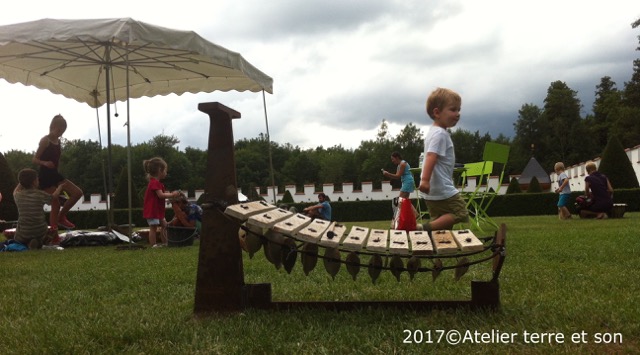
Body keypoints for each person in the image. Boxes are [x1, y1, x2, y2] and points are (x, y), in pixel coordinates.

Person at [418, 88, 469, 232]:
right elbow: (430, 156)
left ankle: (434, 248)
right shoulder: (440, 134)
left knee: (443, 223)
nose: (457, 114)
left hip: (432, 191)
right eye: (453, 109)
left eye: (459, 110)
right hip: (441, 187)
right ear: (437, 112)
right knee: (460, 212)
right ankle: (422, 229)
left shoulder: (434, 132)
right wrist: (425, 180)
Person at [33, 114, 83, 230]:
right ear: (53, 126)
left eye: (63, 130)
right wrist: (45, 163)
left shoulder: (58, 141)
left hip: (55, 175)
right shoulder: (45, 140)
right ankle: (53, 233)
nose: (61, 132)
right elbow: (34, 159)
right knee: (55, 203)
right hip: (45, 177)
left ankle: (61, 217)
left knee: (77, 193)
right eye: (60, 129)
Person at [13, 168, 63, 249]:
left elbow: (14, 192)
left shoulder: (18, 196)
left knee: (18, 235)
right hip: (39, 231)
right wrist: (60, 187)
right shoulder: (40, 194)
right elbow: (53, 197)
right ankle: (39, 241)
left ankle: (26, 242)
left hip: (23, 232)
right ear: (34, 182)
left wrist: (21, 182)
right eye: (37, 179)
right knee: (50, 231)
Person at [143, 157, 180, 248]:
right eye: (165, 171)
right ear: (160, 170)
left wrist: (167, 194)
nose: (166, 173)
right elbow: (160, 195)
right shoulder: (155, 183)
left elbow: (159, 195)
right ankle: (154, 245)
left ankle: (165, 243)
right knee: (153, 227)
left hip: (157, 210)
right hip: (153, 210)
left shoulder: (155, 183)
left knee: (165, 226)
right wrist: (172, 194)